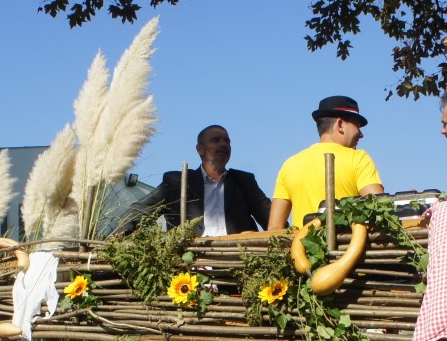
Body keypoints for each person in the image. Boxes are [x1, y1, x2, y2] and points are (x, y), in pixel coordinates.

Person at [267, 96, 385, 230]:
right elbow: (380, 209)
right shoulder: (358, 158)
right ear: (340, 125)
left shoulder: (290, 164)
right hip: (347, 249)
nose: (361, 134)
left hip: (302, 249)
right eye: (357, 126)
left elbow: (274, 227)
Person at [133, 125, 271, 236]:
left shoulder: (244, 182)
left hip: (236, 262)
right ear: (200, 149)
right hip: (191, 263)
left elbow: (273, 220)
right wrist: (118, 233)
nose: (223, 144)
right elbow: (141, 210)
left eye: (227, 141)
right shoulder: (177, 182)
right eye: (216, 140)